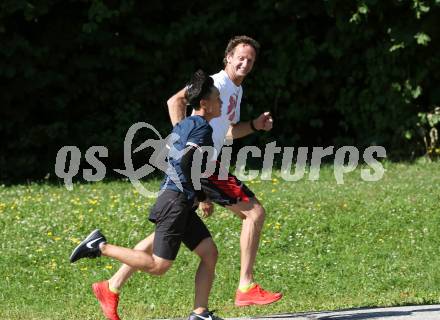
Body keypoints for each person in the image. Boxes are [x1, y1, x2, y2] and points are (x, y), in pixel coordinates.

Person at [69, 70, 223, 320]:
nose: (221, 102)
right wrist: (202, 195)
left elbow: (167, 156)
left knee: (209, 253)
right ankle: (99, 245)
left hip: (177, 200)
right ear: (204, 103)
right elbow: (186, 163)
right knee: (159, 265)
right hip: (176, 201)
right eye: (217, 98)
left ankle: (200, 312)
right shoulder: (201, 128)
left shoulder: (184, 124)